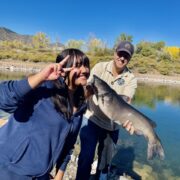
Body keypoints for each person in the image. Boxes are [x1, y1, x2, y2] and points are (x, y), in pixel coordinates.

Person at [0, 48, 90, 180]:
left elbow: (68, 145)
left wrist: (59, 177)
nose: (85, 70)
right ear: (64, 69)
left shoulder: (80, 105)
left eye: (86, 65)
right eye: (77, 66)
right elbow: (3, 99)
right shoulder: (45, 88)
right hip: (10, 168)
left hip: (40, 174)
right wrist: (41, 76)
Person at [76, 41, 137, 180]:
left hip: (112, 125)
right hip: (91, 119)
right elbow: (86, 89)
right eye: (120, 54)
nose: (122, 58)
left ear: (130, 59)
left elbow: (126, 101)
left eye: (126, 56)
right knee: (86, 156)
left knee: (105, 161)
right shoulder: (100, 67)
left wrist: (127, 119)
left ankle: (101, 176)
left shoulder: (131, 78)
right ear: (115, 52)